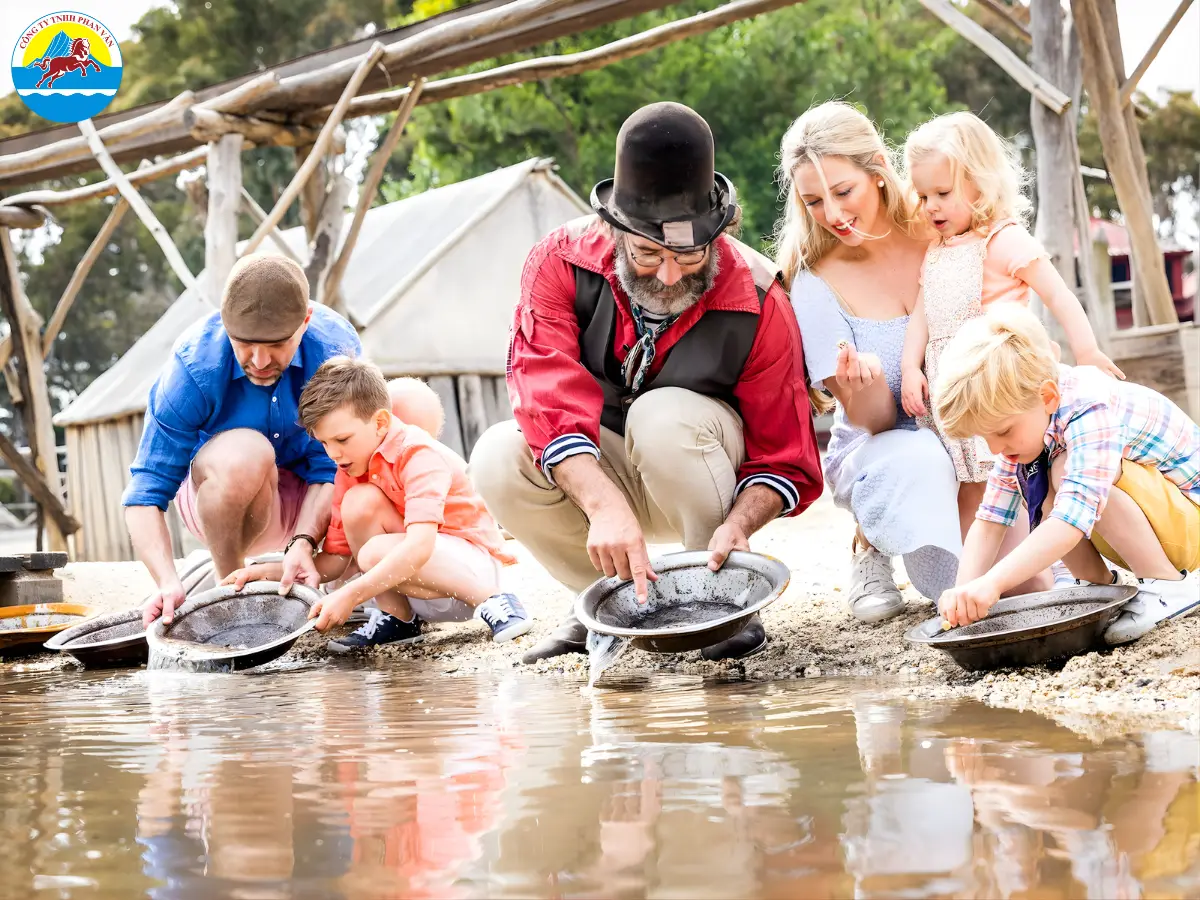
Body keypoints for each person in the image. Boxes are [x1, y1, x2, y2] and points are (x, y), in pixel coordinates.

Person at [469, 101, 823, 663]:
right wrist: (604, 505)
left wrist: (740, 523)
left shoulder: (760, 298)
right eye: (647, 253)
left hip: (701, 472)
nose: (669, 274)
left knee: (662, 416)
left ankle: (719, 600)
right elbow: (543, 393)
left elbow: (785, 456)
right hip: (602, 473)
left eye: (689, 254)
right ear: (614, 230)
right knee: (495, 456)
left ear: (719, 230)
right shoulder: (558, 262)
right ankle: (606, 604)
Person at [776, 100, 968, 624]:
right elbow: (873, 421)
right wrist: (866, 386)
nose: (833, 215)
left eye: (843, 192)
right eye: (814, 201)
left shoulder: (942, 230)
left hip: (974, 430)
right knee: (922, 456)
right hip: (887, 443)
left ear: (879, 169)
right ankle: (871, 542)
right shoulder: (815, 280)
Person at [899, 111, 1122, 516]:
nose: (931, 206)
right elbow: (922, 314)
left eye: (943, 193)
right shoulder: (936, 251)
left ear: (980, 183)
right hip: (952, 383)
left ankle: (1032, 545)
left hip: (996, 378)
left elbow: (1059, 296)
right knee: (967, 482)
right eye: (923, 196)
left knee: (1009, 471)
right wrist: (910, 367)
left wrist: (1087, 351)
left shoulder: (1003, 239)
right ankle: (978, 551)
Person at [934, 304, 1200, 643]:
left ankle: (1167, 586)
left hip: (1191, 522)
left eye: (1002, 432)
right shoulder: (1029, 415)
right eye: (984, 438)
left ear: (1047, 396)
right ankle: (1097, 591)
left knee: (1061, 471)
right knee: (1037, 476)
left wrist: (993, 583)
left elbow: (1072, 517)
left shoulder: (1088, 406)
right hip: (1163, 525)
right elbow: (990, 521)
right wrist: (964, 593)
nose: (996, 448)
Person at [225, 356, 529, 651]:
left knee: (373, 553)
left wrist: (351, 595)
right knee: (359, 503)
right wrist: (265, 572)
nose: (333, 453)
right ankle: (397, 620)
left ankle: (497, 601)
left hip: (471, 574)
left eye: (342, 439)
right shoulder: (351, 469)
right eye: (324, 443)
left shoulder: (418, 454)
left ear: (381, 422)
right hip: (419, 583)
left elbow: (420, 546)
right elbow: (335, 561)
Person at [127, 255, 361, 627]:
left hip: (314, 504)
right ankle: (231, 594)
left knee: (400, 409)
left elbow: (329, 468)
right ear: (225, 323)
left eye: (277, 344)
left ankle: (352, 582)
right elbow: (145, 491)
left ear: (305, 322)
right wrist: (166, 581)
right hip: (224, 501)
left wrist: (302, 541)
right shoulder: (194, 366)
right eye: (245, 343)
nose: (260, 360)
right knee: (246, 454)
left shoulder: (334, 350)